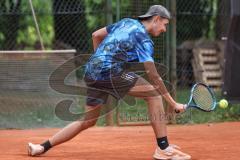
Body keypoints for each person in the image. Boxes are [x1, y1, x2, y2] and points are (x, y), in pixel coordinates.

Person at [28, 5, 191, 160]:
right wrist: (173, 103)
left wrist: (101, 59)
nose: (164, 29)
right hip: (109, 72)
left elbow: (96, 35)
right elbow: (154, 76)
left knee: (87, 120)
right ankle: (163, 148)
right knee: (154, 95)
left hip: (92, 70)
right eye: (164, 24)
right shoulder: (143, 38)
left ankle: (41, 147)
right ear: (156, 18)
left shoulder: (126, 22)